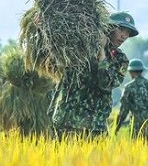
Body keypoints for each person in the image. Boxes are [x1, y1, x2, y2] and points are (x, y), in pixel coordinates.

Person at [50, 11, 138, 139]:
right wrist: (42, 27)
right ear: (109, 28)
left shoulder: (120, 59)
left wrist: (101, 53)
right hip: (67, 121)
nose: (124, 36)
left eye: (128, 33)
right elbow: (55, 50)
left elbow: (107, 84)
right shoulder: (82, 48)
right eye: (121, 29)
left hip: (96, 125)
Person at [114, 59, 148, 143]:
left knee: (136, 152)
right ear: (142, 71)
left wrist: (116, 128)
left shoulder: (129, 87)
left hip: (136, 126)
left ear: (130, 72)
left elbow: (123, 111)